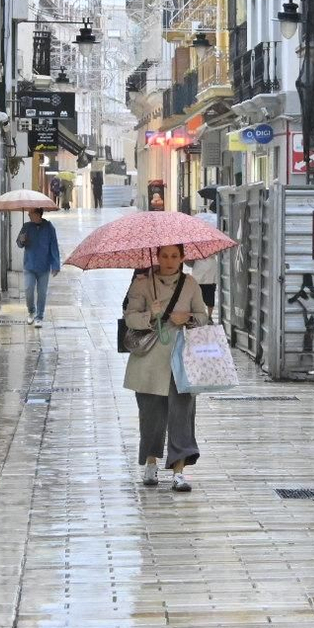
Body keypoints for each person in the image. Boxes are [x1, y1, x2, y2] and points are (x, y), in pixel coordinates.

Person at [122, 245, 209, 491]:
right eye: (164, 256)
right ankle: (151, 462)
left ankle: (179, 472)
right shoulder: (142, 284)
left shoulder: (190, 284)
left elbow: (203, 316)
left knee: (182, 414)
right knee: (151, 414)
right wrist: (152, 313)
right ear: (157, 257)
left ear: (182, 258)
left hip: (182, 359)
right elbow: (130, 317)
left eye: (174, 256)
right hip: (149, 360)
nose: (170, 261)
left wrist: (188, 318)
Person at [16, 207, 60, 327]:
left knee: (42, 293)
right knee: (28, 290)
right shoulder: (26, 227)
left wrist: (55, 265)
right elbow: (19, 244)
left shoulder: (49, 228)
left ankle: (39, 316)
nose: (29, 215)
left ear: (37, 214)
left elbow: (54, 246)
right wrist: (21, 240)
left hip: (44, 266)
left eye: (30, 213)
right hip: (29, 265)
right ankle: (31, 311)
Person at [191, 193, 220, 320]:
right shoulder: (216, 231)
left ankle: (200, 313)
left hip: (199, 266)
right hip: (211, 266)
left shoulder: (198, 234)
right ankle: (209, 316)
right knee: (210, 292)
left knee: (198, 291)